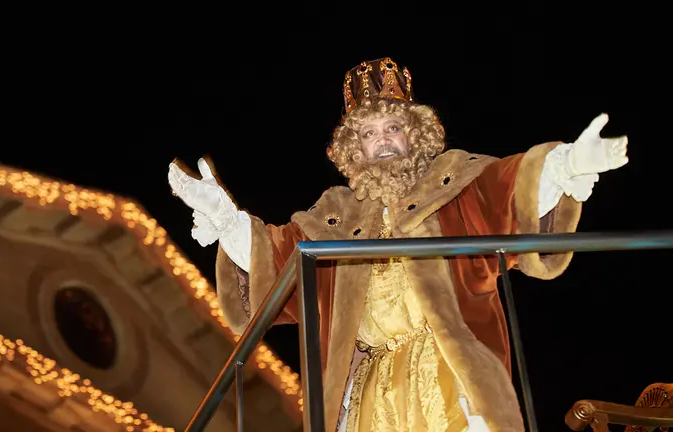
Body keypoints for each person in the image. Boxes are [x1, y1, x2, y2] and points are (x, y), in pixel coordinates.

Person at [167, 57, 629, 431]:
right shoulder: (336, 212)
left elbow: (505, 189)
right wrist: (226, 218)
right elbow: (279, 261)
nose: (382, 142)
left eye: (392, 128)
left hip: (448, 374)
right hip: (370, 391)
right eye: (369, 134)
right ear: (355, 148)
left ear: (414, 132)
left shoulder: (453, 180)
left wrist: (566, 167)